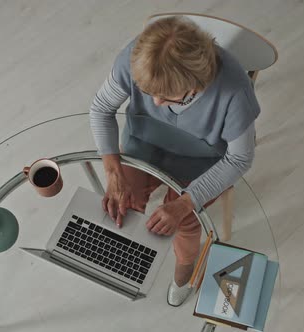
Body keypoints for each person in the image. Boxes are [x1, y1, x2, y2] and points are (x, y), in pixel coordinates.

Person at [89, 16, 260, 306]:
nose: (155, 104)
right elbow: (102, 108)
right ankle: (127, 261)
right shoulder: (136, 60)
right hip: (142, 142)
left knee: (187, 224)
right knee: (123, 204)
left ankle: (183, 274)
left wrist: (183, 203)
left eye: (168, 98)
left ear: (197, 85)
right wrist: (112, 170)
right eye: (148, 93)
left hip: (202, 160)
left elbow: (239, 159)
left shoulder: (234, 93)